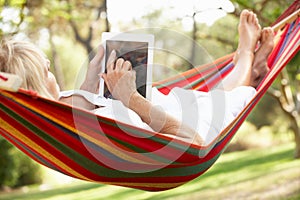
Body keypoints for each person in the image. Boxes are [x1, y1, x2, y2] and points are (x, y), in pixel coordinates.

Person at [0, 10, 274, 145]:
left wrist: (93, 75)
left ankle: (248, 67)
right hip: (181, 128)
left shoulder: (58, 110)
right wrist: (130, 97)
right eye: (46, 70)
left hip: (168, 108)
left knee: (206, 97)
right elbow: (194, 141)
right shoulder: (71, 126)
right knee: (221, 101)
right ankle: (247, 57)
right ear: (35, 84)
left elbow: (78, 108)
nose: (51, 72)